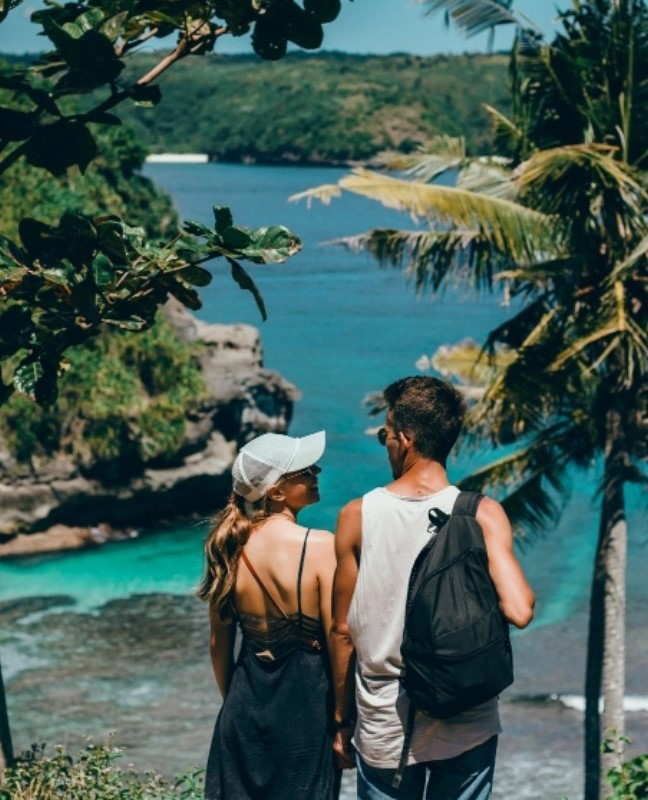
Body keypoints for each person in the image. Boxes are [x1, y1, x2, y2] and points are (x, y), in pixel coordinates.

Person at [330, 376, 535, 800]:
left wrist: (340, 719)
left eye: (385, 434)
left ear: (404, 439)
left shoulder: (358, 515)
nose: (384, 442)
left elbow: (342, 631)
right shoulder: (483, 513)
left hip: (387, 718)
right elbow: (520, 608)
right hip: (467, 713)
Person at [197, 430, 341, 800]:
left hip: (243, 712)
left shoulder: (228, 549)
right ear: (276, 492)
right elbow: (339, 638)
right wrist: (344, 717)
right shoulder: (321, 546)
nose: (316, 473)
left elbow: (218, 647)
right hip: (305, 717)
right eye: (306, 471)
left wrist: (239, 705)